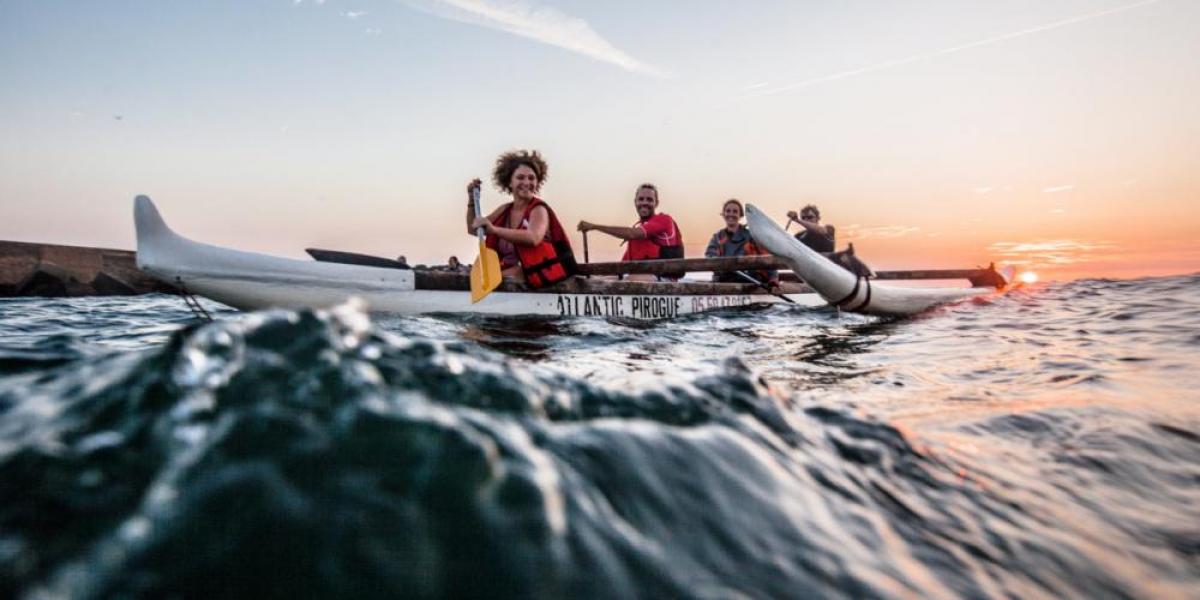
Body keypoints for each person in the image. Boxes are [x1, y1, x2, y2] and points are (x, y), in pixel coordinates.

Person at [465, 150, 576, 288]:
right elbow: (473, 229)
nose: (526, 182)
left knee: (508, 274)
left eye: (531, 178)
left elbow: (533, 238)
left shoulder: (539, 209)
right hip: (508, 275)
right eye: (520, 177)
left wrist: (494, 230)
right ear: (509, 182)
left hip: (536, 279)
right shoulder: (504, 210)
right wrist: (471, 200)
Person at [577, 183, 685, 281]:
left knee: (628, 280)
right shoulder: (640, 229)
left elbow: (631, 233)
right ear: (635, 202)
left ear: (656, 203)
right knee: (597, 280)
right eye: (641, 199)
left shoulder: (664, 220)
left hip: (664, 280)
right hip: (641, 278)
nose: (644, 202)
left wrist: (594, 227)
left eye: (649, 199)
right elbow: (621, 268)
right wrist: (593, 277)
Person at [705, 199, 779, 290]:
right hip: (724, 280)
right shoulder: (717, 237)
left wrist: (773, 278)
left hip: (749, 280)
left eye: (735, 211)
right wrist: (721, 265)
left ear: (740, 215)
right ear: (723, 214)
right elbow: (710, 255)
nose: (731, 214)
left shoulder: (751, 236)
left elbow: (766, 256)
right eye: (728, 211)